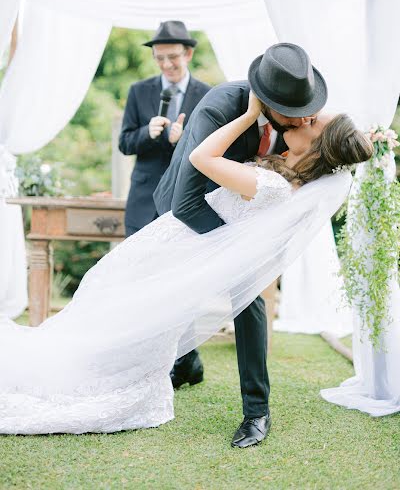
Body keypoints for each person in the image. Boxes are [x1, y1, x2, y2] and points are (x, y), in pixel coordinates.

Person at [0, 88, 372, 437]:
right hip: (177, 229)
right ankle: (170, 367)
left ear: (318, 149)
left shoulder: (275, 187)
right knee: (119, 312)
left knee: (122, 314)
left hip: (179, 247)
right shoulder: (270, 155)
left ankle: (251, 408)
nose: (306, 118)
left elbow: (202, 159)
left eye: (314, 123)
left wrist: (249, 116)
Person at [154, 42, 328, 446]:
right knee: (174, 292)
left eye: (310, 107)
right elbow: (186, 200)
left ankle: (256, 413)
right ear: (266, 103)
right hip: (184, 208)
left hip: (241, 214)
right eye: (298, 111)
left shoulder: (301, 118)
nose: (309, 117)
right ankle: (187, 361)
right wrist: (238, 245)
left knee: (248, 295)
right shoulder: (220, 109)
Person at [119, 20, 210, 236]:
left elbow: (213, 147)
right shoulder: (138, 91)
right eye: (160, 58)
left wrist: (183, 140)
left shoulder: (207, 94)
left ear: (188, 54)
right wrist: (146, 133)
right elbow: (124, 143)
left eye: (173, 57)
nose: (167, 64)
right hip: (142, 203)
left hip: (185, 202)